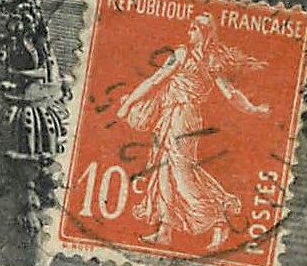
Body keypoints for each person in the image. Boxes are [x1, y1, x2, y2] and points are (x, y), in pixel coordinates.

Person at [115, 13, 268, 249]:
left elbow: (229, 93)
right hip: (170, 116)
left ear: (204, 33)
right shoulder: (188, 55)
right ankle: (165, 230)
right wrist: (128, 103)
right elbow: (155, 80)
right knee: (164, 170)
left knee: (182, 173)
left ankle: (218, 221)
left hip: (183, 118)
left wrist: (253, 109)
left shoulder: (204, 60)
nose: (189, 34)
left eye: (193, 30)